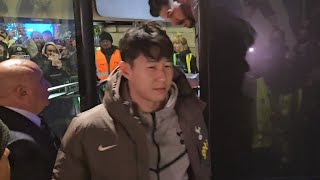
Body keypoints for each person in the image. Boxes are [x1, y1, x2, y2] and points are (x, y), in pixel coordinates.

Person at [53, 21, 211, 180]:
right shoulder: (87, 128)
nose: (162, 77)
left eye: (167, 66)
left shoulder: (191, 114)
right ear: (127, 70)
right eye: (151, 67)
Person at [148, 0, 256, 179]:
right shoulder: (206, 21)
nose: (174, 22)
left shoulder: (216, 17)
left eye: (170, 13)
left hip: (229, 113)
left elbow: (228, 68)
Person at [0, 59, 60, 180]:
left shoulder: (21, 122)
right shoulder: (20, 144)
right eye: (42, 81)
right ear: (23, 92)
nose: (49, 85)